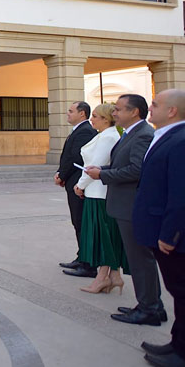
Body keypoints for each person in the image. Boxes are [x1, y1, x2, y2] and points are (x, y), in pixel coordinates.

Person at [85, 94, 166, 326]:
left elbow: (136, 170)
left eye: (119, 109)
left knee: (141, 260)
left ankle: (149, 308)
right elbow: (124, 164)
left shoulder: (142, 135)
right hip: (124, 204)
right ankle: (151, 305)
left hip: (132, 205)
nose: (115, 113)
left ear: (134, 112)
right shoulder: (130, 134)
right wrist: (102, 169)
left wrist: (103, 175)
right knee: (139, 259)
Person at [132, 89, 185, 365]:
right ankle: (177, 343)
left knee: (183, 292)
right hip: (158, 229)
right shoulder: (166, 136)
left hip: (172, 236)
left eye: (154, 104)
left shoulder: (180, 140)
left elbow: (181, 194)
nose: (149, 108)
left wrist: (170, 234)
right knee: (178, 293)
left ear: (172, 111)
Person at [72, 103, 124, 294]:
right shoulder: (106, 135)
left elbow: (95, 165)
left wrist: (80, 185)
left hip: (98, 192)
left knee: (102, 237)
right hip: (98, 191)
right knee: (106, 235)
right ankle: (113, 275)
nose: (91, 119)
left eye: (94, 116)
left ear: (105, 118)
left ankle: (102, 278)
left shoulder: (108, 136)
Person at [56, 101, 99, 278]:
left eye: (71, 111)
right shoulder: (79, 130)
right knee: (77, 221)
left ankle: (88, 264)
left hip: (77, 182)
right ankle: (81, 257)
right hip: (72, 181)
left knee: (81, 222)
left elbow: (76, 157)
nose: (68, 114)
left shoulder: (85, 131)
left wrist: (62, 174)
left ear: (82, 114)